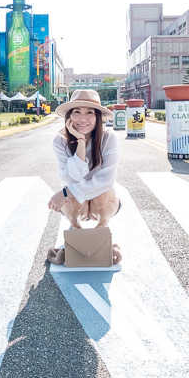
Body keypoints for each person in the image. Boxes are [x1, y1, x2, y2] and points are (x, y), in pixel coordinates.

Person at [46, 89, 122, 265]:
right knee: (75, 199)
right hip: (75, 207)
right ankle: (75, 235)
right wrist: (80, 142)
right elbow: (72, 178)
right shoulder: (60, 141)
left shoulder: (109, 137)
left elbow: (106, 180)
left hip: (104, 204)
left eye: (89, 112)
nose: (82, 118)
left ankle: (102, 235)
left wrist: (65, 193)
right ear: (69, 117)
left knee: (100, 192)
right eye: (77, 112)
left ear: (98, 117)